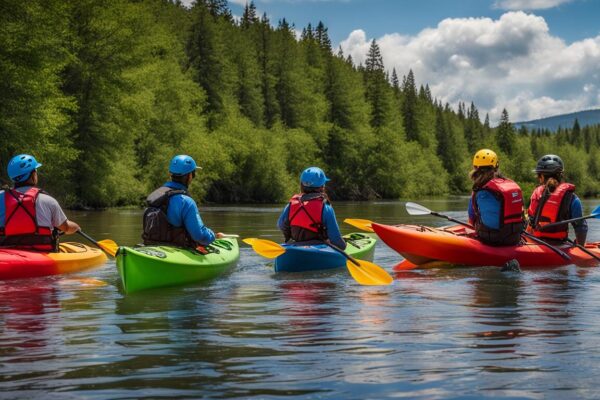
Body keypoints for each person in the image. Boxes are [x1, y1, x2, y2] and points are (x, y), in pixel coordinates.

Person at [0, 154, 80, 251]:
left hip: (6, 253)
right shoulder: (48, 200)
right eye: (36, 171)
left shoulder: (1, 197)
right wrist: (76, 227)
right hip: (41, 252)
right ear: (33, 174)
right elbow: (66, 228)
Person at [142, 155, 221, 248]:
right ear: (190, 176)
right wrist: (213, 236)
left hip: (151, 246)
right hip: (175, 249)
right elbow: (199, 235)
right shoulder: (186, 201)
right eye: (193, 173)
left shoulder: (157, 196)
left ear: (171, 174)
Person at [277, 167, 346, 249]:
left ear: (301, 185)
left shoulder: (291, 204)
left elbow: (280, 225)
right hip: (318, 248)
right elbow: (335, 239)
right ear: (322, 186)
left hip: (294, 246)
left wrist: (289, 238)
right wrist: (344, 246)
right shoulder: (325, 206)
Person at [467, 149, 525, 246]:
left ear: (475, 167)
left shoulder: (478, 189)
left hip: (491, 239)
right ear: (496, 166)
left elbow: (471, 218)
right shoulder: (510, 184)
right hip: (514, 237)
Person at [527, 154, 587, 245]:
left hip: (535, 245)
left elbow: (530, 223)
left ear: (542, 176)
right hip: (560, 246)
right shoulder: (572, 198)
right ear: (560, 175)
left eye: (538, 176)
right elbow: (581, 227)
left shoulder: (536, 195)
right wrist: (580, 247)